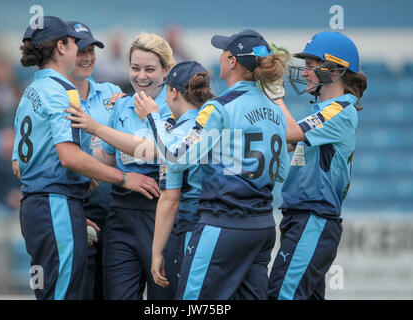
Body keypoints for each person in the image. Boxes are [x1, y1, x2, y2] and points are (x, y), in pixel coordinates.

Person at [11, 16, 159, 300]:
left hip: (46, 206)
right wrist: (125, 178)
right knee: (64, 293)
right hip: (56, 203)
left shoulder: (31, 89)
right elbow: (69, 157)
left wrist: (73, 207)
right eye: (74, 44)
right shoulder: (62, 90)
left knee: (56, 291)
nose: (82, 52)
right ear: (61, 47)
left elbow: (21, 162)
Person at [135, 29, 290, 300]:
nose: (219, 57)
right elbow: (282, 173)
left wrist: (153, 118)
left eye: (223, 52)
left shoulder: (219, 107)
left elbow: (175, 157)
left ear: (232, 61)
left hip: (224, 224)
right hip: (263, 227)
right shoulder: (276, 109)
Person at [66, 32, 179, 300]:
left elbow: (155, 151)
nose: (141, 76)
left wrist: (97, 128)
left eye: (150, 69)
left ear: (166, 71)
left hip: (161, 213)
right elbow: (105, 157)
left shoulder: (174, 105)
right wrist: (73, 161)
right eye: (135, 68)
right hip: (121, 214)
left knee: (164, 299)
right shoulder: (122, 105)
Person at [267, 31, 367, 300]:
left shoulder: (338, 109)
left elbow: (289, 134)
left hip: (313, 219)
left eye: (312, 67)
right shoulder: (322, 110)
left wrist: (276, 93)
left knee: (281, 295)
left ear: (334, 70)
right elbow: (286, 141)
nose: (306, 73)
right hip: (303, 218)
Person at [133, 61, 215, 289]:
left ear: (174, 92)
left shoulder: (177, 134)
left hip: (192, 225)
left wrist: (157, 252)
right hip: (220, 224)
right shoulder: (213, 122)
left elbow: (170, 199)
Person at [65, 21, 123, 300]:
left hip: (115, 213)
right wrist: (76, 216)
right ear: (62, 52)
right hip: (78, 211)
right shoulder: (54, 98)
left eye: (91, 50)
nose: (87, 57)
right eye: (80, 51)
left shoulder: (111, 93)